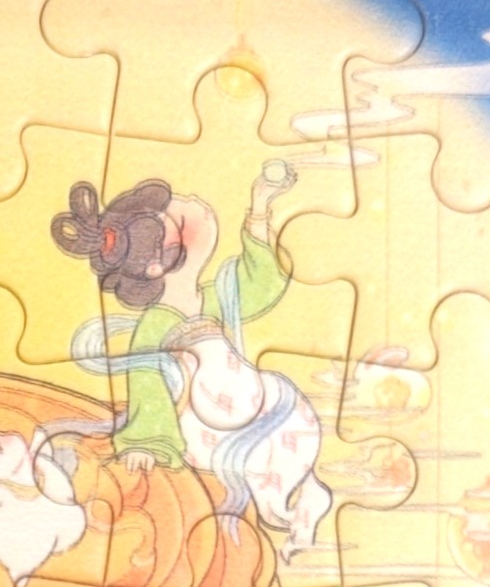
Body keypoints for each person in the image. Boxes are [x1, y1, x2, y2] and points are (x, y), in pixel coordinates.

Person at [50, 168, 332, 547]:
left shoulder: (216, 296)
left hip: (268, 409)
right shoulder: (155, 325)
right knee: (266, 484)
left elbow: (263, 284)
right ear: (156, 264)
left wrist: (260, 206)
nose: (195, 203)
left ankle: (298, 502)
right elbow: (147, 385)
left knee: (289, 454)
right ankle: (280, 512)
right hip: (209, 432)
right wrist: (147, 443)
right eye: (178, 216)